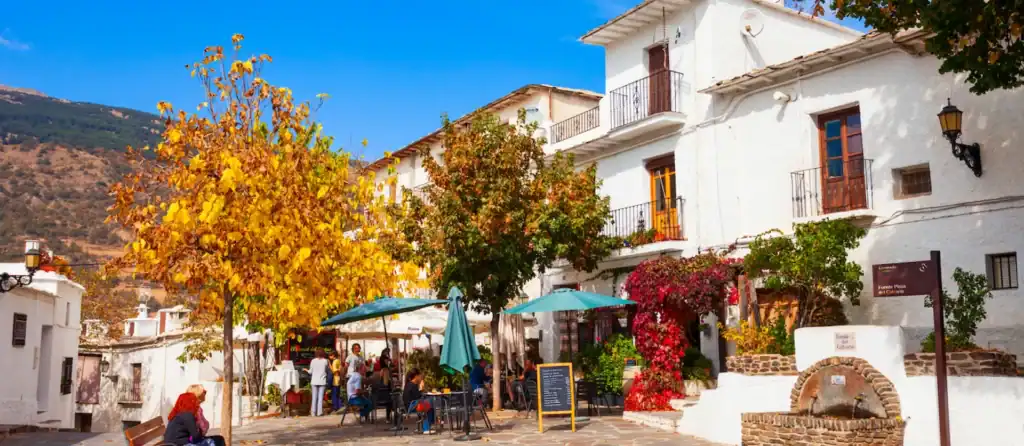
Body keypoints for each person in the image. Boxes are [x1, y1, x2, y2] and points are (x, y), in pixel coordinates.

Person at [403, 368, 435, 434]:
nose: (421, 377)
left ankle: (428, 426)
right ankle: (426, 428)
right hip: (412, 406)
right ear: (416, 376)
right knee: (429, 406)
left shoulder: (409, 384)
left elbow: (417, 397)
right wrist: (421, 388)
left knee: (429, 405)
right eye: (420, 376)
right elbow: (418, 397)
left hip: (410, 405)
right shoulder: (412, 385)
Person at [309, 349, 330, 417]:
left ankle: (313, 413)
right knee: (320, 398)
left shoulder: (313, 361)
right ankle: (319, 412)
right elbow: (327, 370)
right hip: (322, 381)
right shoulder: (325, 361)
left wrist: (306, 370)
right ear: (323, 354)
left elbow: (310, 372)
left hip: (314, 381)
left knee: (314, 397)